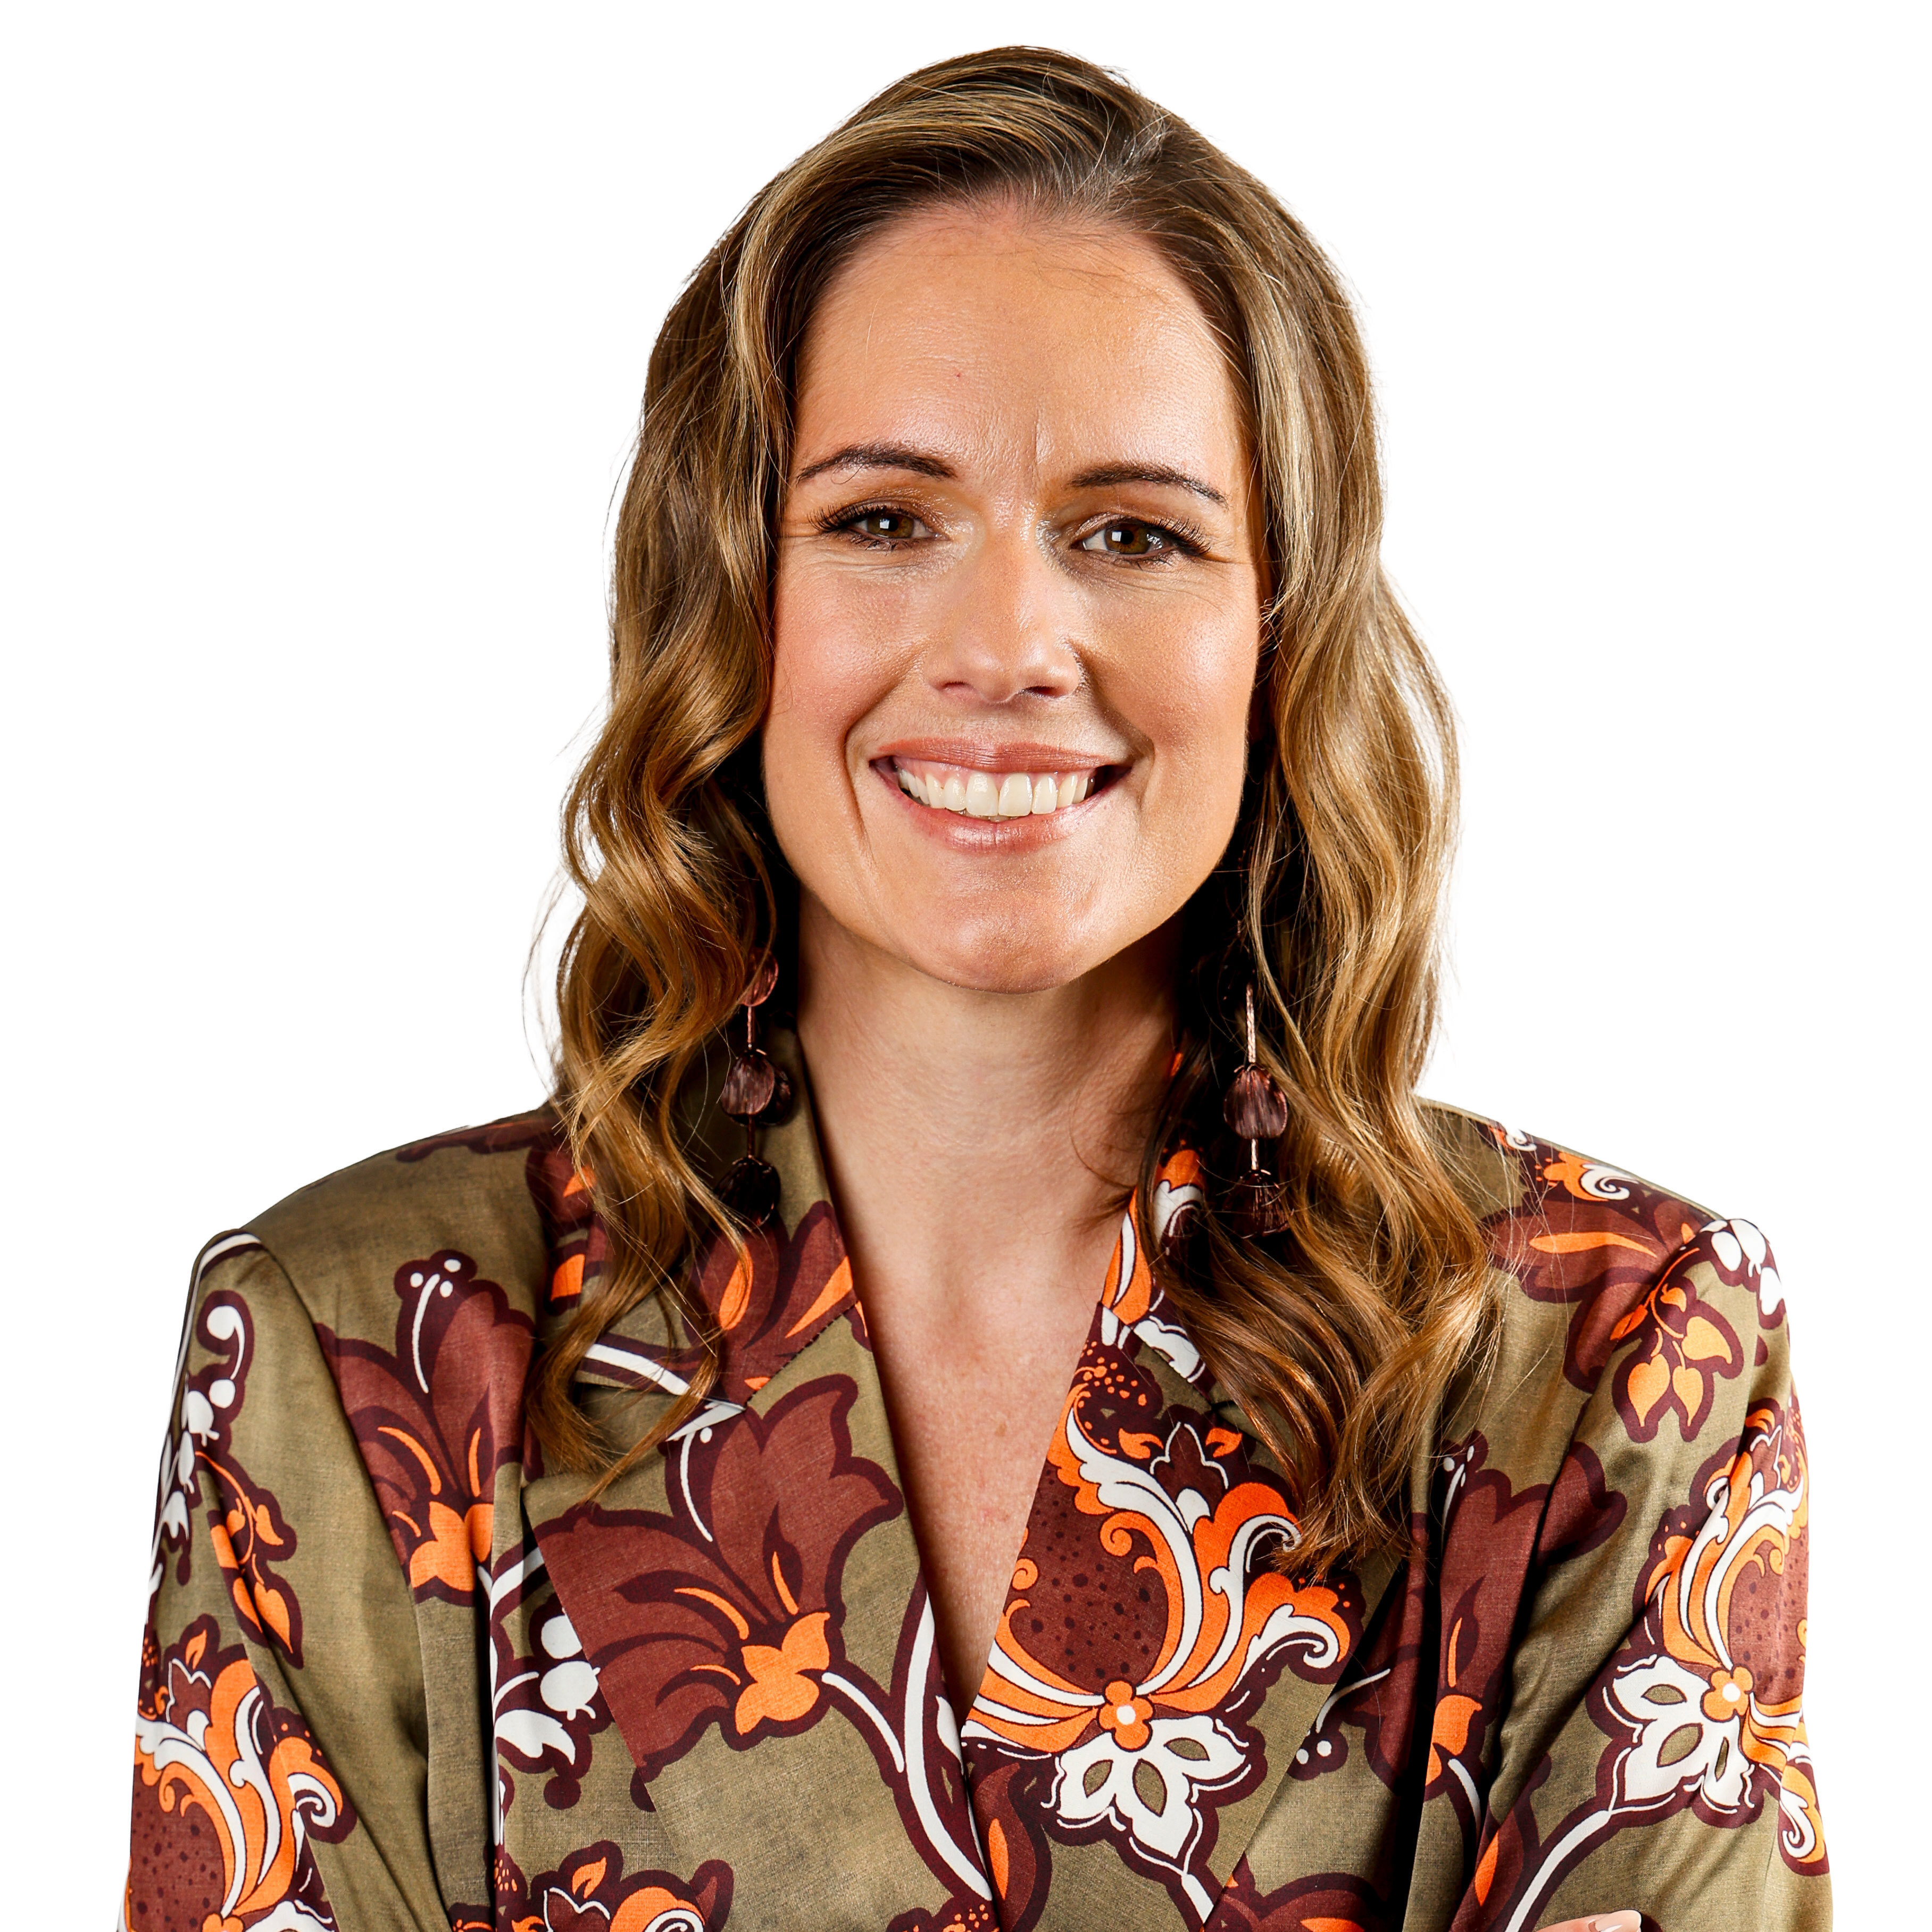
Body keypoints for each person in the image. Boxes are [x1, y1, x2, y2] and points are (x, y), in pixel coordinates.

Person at [123, 47, 1826, 1932]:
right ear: (727, 597)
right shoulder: (365, 1357)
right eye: (882, 520)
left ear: (1280, 630)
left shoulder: (1609, 1360)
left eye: (1135, 535)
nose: (1011, 644)